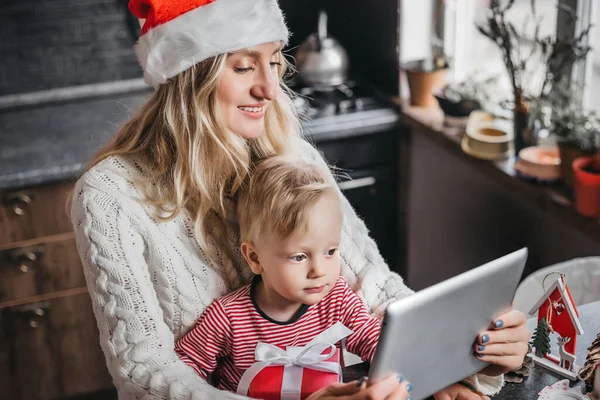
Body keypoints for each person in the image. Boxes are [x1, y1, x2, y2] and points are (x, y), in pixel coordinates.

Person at [69, 0, 531, 399]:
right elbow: (145, 378)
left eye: (273, 62)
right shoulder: (110, 198)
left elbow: (375, 290)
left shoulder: (290, 154)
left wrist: (457, 358)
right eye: (245, 66)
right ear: (190, 76)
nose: (269, 89)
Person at [174, 156, 400, 396]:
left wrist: (396, 368)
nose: (319, 271)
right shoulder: (228, 317)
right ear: (255, 258)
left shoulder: (338, 300)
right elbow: (184, 371)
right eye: (299, 257)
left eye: (330, 252)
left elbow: (375, 340)